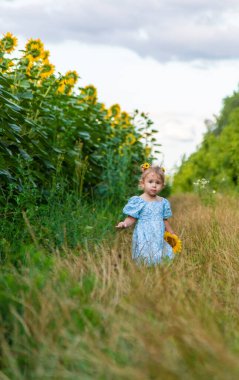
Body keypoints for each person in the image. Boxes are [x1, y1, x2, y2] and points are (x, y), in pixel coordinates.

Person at [116, 163, 177, 265]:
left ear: (162, 186)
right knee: (145, 254)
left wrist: (172, 233)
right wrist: (124, 223)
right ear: (143, 183)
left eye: (158, 183)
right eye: (150, 182)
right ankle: (145, 269)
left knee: (160, 252)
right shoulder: (139, 201)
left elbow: (164, 220)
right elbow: (132, 218)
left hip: (158, 233)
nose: (154, 185)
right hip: (144, 234)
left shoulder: (162, 202)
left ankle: (158, 268)